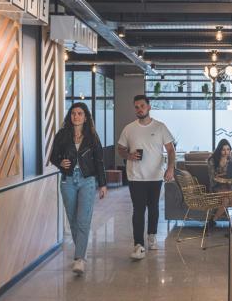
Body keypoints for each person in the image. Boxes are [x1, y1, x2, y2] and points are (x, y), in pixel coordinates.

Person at [50, 102, 107, 275]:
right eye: (73, 113)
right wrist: (60, 163)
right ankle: (81, 252)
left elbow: (99, 161)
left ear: (85, 116)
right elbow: (53, 156)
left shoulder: (92, 137)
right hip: (67, 181)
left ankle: (79, 258)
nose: (76, 116)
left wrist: (103, 184)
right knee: (73, 220)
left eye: (80, 113)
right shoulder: (62, 135)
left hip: (87, 181)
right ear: (70, 116)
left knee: (83, 220)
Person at [118, 95, 175, 260]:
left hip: (155, 175)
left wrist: (170, 168)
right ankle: (138, 245)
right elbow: (120, 148)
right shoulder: (129, 128)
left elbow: (170, 150)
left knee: (154, 208)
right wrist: (128, 155)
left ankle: (152, 236)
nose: (139, 109)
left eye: (142, 105)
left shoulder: (160, 127)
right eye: (136, 107)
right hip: (136, 176)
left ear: (149, 107)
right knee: (138, 210)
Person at [207, 139, 232, 227]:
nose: (226, 152)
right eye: (223, 150)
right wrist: (224, 174)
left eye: (228, 149)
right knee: (231, 195)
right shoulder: (212, 160)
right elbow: (212, 177)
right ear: (219, 150)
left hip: (229, 186)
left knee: (227, 200)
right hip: (216, 186)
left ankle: (213, 220)